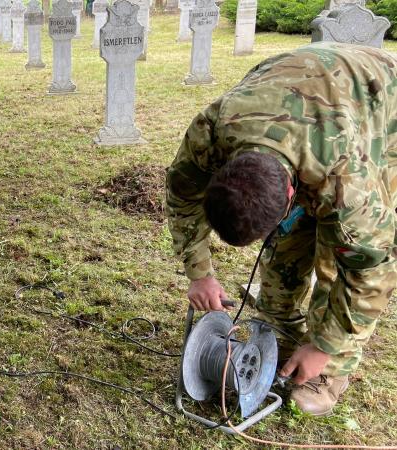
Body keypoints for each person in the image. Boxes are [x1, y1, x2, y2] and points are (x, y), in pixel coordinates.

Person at [165, 42, 397, 417]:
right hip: (297, 83)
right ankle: (280, 326)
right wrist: (199, 274)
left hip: (380, 101)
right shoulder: (212, 131)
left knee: (337, 256)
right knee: (287, 238)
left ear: (292, 193)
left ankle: (331, 370)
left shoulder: (346, 184)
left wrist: (325, 346)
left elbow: (371, 271)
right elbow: (182, 197)